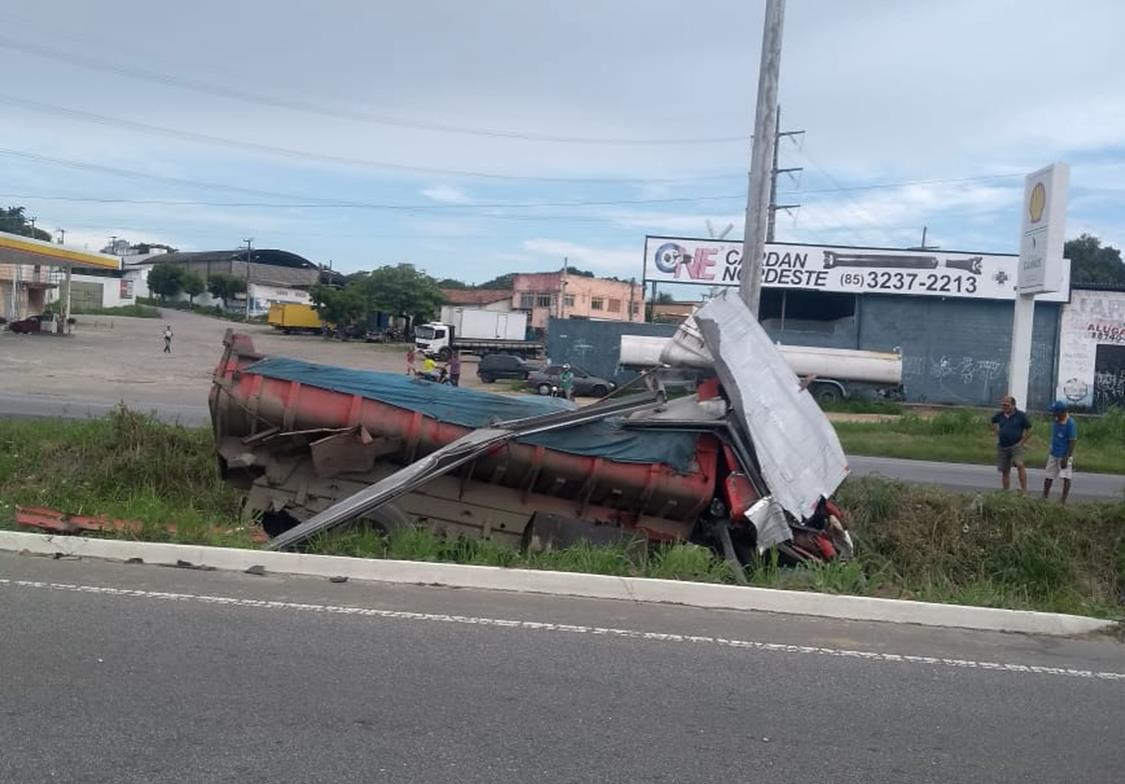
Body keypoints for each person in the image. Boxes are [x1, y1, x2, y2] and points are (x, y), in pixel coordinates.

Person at [990, 394, 1031, 494]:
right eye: (1003, 405)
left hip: (1016, 445)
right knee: (1005, 470)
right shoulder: (999, 415)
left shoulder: (1020, 415)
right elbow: (991, 421)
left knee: (1019, 464)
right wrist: (997, 432)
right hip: (1003, 446)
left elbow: (1029, 429)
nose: (1004, 407)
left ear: (1013, 405)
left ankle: (1024, 490)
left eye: (1007, 405)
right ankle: (1006, 491)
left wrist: (1022, 442)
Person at [1043, 400, 1078, 503]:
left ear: (1061, 412)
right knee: (1048, 475)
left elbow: (1072, 441)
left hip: (1064, 454)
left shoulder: (1070, 423)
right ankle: (1045, 496)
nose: (1053, 414)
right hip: (1054, 452)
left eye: (1055, 412)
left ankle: (1063, 499)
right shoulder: (1056, 420)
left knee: (1066, 476)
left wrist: (1066, 457)